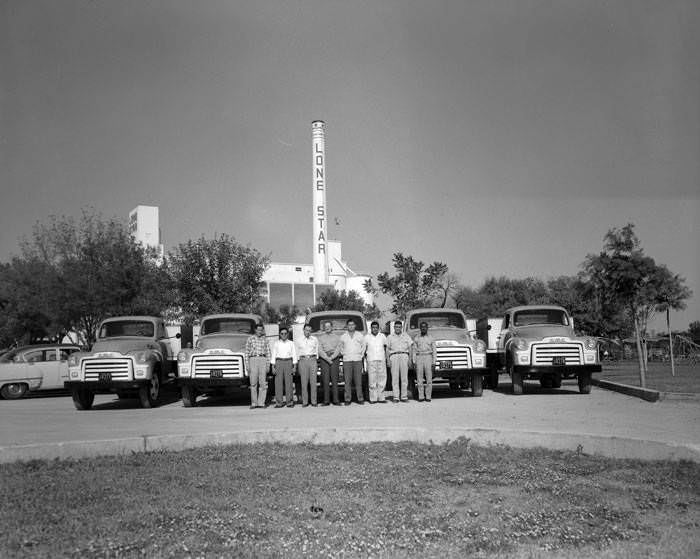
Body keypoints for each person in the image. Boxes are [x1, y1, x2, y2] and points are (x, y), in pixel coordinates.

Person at [339, 318, 366, 405]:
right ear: (347, 326)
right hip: (347, 360)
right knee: (347, 381)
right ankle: (347, 399)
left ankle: (360, 398)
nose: (351, 326)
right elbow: (341, 348)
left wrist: (360, 356)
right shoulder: (343, 336)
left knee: (358, 381)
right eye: (349, 325)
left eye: (352, 325)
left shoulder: (360, 335)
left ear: (355, 326)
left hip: (357, 360)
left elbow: (363, 346)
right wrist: (345, 354)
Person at [244, 323, 271, 409]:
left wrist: (268, 364)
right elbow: (246, 352)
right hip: (253, 360)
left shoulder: (265, 340)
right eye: (258, 330)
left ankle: (261, 403)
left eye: (261, 330)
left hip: (262, 359)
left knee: (263, 383)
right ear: (255, 330)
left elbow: (268, 353)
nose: (260, 331)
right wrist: (247, 364)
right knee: (253, 383)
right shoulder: (250, 339)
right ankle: (254, 403)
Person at [386, 320, 413, 402]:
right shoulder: (390, 337)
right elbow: (387, 349)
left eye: (399, 327)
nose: (398, 328)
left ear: (401, 328)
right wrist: (388, 360)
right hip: (394, 356)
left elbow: (410, 348)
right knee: (394, 378)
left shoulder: (406, 336)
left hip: (404, 355)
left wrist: (410, 359)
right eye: (396, 327)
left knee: (404, 377)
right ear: (394, 327)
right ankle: (396, 397)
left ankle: (404, 396)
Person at [271, 326, 297, 408]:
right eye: (282, 333)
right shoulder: (276, 343)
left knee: (289, 383)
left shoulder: (291, 343)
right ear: (279, 334)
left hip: (288, 362)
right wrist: (273, 366)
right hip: (279, 362)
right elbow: (273, 355)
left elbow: (294, 355)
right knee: (278, 383)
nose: (284, 335)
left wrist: (294, 366)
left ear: (288, 334)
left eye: (285, 333)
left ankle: (289, 402)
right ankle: (279, 402)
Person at [318, 320, 342, 405]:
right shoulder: (320, 338)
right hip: (324, 359)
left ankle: (336, 400)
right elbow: (320, 350)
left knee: (335, 380)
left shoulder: (337, 337)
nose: (327, 328)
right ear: (324, 328)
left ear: (332, 327)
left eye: (329, 326)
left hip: (334, 359)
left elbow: (339, 348)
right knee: (325, 380)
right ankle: (326, 400)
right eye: (326, 327)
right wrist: (327, 358)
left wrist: (332, 357)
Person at [295, 324, 319, 407]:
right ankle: (305, 401)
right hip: (302, 360)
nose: (308, 332)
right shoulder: (298, 340)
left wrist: (316, 359)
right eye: (306, 330)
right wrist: (297, 363)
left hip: (312, 359)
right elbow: (296, 352)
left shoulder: (314, 339)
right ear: (303, 330)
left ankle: (314, 401)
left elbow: (316, 350)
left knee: (313, 382)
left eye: (309, 330)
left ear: (311, 331)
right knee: (304, 382)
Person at [364, 320, 388, 403]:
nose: (374, 329)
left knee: (382, 379)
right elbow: (364, 349)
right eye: (373, 327)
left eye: (376, 328)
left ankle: (381, 398)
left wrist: (386, 359)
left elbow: (386, 347)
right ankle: (373, 398)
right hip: (371, 360)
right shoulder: (367, 337)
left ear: (378, 328)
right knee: (372, 379)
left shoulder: (382, 336)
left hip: (381, 359)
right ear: (370, 328)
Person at [412, 321, 436, 402]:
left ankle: (428, 396)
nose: (423, 328)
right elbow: (414, 350)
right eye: (422, 327)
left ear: (427, 328)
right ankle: (421, 396)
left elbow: (434, 351)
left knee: (429, 379)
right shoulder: (416, 338)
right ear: (420, 328)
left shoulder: (431, 338)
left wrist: (434, 362)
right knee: (419, 379)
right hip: (419, 357)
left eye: (425, 327)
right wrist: (414, 361)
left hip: (428, 357)